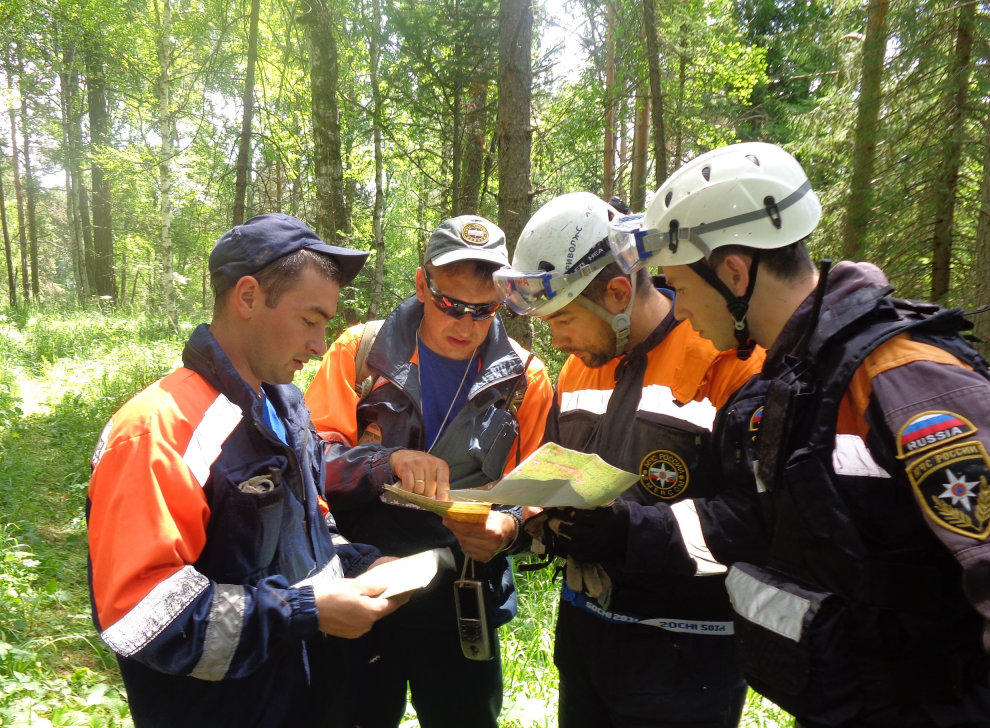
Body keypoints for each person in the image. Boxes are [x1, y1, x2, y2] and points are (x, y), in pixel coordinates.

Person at [609, 141, 990, 726]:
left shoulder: (902, 377)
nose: (679, 311)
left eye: (681, 287)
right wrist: (624, 530)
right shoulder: (796, 379)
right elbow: (769, 526)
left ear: (733, 271)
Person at [86, 213, 402, 727]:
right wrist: (306, 612)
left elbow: (311, 531)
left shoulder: (287, 406)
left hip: (302, 699)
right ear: (248, 297)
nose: (322, 345)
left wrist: (362, 565)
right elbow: (142, 614)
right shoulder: (158, 431)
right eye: (309, 320)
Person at [493, 191, 764, 727]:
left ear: (618, 292)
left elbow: (758, 521)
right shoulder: (578, 368)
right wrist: (523, 523)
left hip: (686, 660)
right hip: (586, 644)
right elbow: (555, 478)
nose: (557, 338)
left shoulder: (728, 360)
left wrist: (630, 533)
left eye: (564, 318)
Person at [304, 215, 554, 728]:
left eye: (484, 311)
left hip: (463, 590)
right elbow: (308, 459)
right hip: (363, 580)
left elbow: (536, 491)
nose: (465, 324)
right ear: (423, 284)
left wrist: (507, 529)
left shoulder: (525, 379)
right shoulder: (361, 352)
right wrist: (383, 461)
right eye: (450, 305)